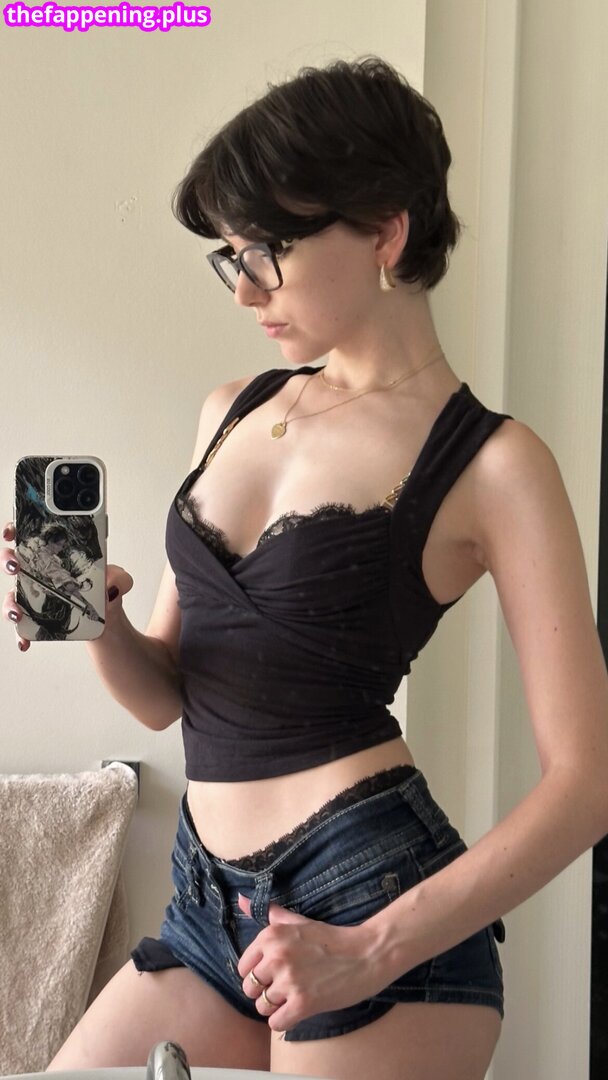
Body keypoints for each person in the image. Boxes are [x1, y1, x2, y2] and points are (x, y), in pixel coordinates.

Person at [3, 56, 608, 1080]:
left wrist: (370, 947)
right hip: (207, 903)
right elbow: (168, 696)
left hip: (369, 905)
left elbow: (586, 784)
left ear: (384, 231)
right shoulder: (230, 409)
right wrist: (96, 620)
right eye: (231, 256)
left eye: (268, 251)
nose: (244, 289)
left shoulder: (494, 464)